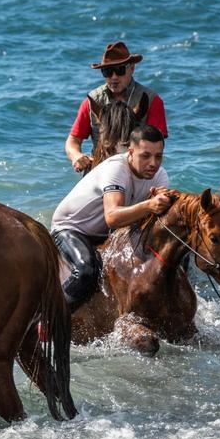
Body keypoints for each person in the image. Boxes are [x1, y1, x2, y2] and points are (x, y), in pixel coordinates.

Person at [52, 125, 172, 311]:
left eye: (158, 156)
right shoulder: (117, 169)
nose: (153, 164)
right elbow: (112, 217)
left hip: (106, 234)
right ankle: (48, 317)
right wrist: (149, 205)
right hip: (72, 228)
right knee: (86, 271)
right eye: (145, 156)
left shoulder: (160, 176)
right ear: (131, 152)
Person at [65, 41, 168, 173]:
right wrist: (76, 156)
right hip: (100, 169)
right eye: (107, 72)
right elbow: (73, 141)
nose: (114, 77)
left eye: (119, 70)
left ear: (132, 68)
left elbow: (156, 146)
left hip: (137, 172)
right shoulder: (92, 101)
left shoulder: (153, 101)